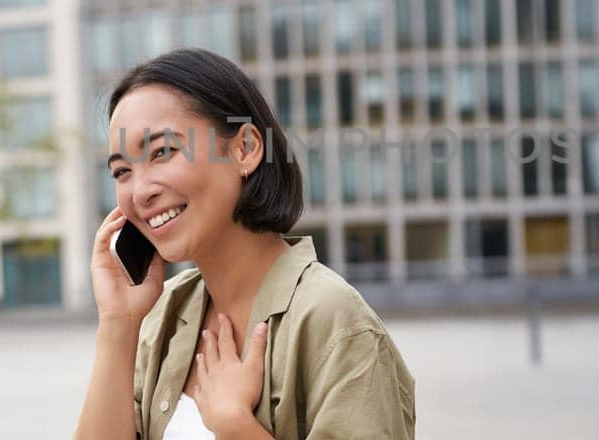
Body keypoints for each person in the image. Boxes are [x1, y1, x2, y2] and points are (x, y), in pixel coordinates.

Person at [74, 49, 415, 440]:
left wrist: (236, 426)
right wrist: (119, 327)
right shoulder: (162, 315)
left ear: (245, 149)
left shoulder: (333, 322)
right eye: (122, 171)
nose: (140, 192)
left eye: (162, 152)